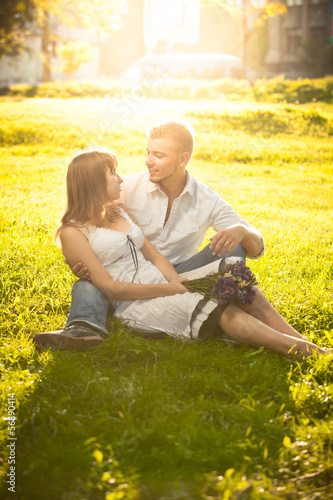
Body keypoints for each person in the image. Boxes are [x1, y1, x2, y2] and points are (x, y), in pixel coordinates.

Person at [34, 149, 330, 360]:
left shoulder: (117, 210)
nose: (121, 179)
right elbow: (111, 288)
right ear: (93, 183)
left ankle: (305, 343)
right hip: (136, 303)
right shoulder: (73, 233)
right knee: (225, 313)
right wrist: (172, 289)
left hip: (167, 281)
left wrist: (182, 283)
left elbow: (153, 255)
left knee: (246, 292)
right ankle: (307, 354)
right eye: (112, 173)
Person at [35, 120, 265, 348]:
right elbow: (90, 219)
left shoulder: (207, 199)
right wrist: (81, 258)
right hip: (125, 275)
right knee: (88, 283)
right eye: (147, 153)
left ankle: (225, 317)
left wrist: (242, 230)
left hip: (180, 272)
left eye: (158, 155)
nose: (148, 161)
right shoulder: (125, 187)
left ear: (182, 159)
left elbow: (257, 248)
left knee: (234, 245)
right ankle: (84, 327)